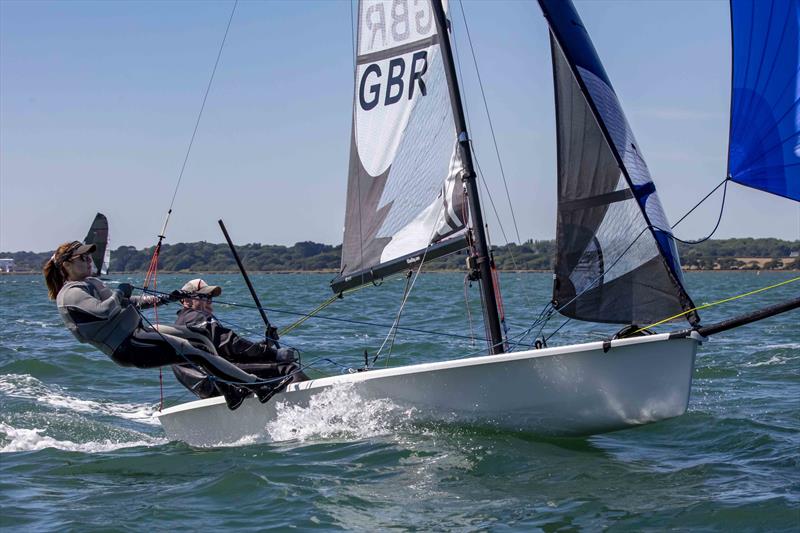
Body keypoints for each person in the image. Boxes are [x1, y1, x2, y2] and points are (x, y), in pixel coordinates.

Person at [43, 240, 276, 410]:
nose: (88, 261)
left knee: (201, 340)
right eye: (82, 258)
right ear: (66, 266)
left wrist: (168, 298)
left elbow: (131, 302)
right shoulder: (71, 294)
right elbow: (104, 311)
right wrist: (119, 292)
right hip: (128, 346)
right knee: (195, 353)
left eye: (89, 256)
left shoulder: (89, 282)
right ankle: (258, 387)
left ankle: (230, 391)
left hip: (137, 333)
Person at [170, 278, 308, 399]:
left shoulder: (181, 322)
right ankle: (311, 408)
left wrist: (266, 345)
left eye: (210, 298)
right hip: (218, 380)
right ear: (186, 301)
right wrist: (275, 353)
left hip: (207, 386)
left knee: (269, 365)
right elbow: (230, 345)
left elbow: (225, 354)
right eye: (204, 297)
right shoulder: (196, 317)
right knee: (287, 369)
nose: (209, 302)